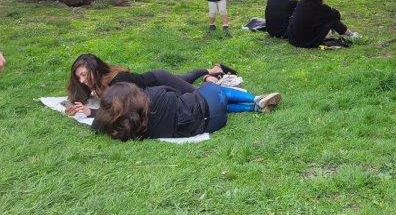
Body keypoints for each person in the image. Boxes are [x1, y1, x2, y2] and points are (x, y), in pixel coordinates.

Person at [84, 82, 282, 140]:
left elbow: (97, 125)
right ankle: (253, 99)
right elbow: (178, 91)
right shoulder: (155, 94)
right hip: (209, 108)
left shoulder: (128, 128)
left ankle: (254, 108)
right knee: (215, 90)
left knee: (214, 104)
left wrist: (93, 113)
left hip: (209, 125)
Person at [64, 53, 232, 114]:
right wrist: (72, 104)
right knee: (186, 77)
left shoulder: (118, 81)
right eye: (78, 77)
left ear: (95, 69)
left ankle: (212, 76)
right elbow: (77, 95)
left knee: (200, 94)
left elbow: (120, 109)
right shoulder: (93, 82)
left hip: (159, 80)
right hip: (155, 80)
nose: (82, 80)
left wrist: (91, 113)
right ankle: (212, 70)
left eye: (84, 75)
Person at [287, 0, 359, 48]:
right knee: (334, 21)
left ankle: (347, 34)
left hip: (293, 39)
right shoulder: (321, 7)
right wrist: (329, 9)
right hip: (307, 42)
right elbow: (336, 15)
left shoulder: (301, 3)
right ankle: (351, 34)